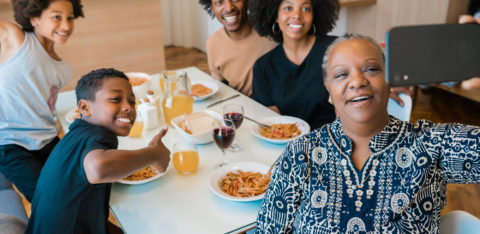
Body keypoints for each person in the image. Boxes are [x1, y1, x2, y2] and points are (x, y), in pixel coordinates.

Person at [255, 34, 480, 233]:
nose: (357, 81)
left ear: (388, 81)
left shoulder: (432, 144)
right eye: (342, 74)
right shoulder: (299, 154)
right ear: (329, 90)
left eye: (371, 69)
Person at [25, 68, 171, 233]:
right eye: (116, 99)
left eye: (132, 102)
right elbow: (98, 168)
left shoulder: (78, 133)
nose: (128, 107)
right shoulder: (99, 136)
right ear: (85, 108)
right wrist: (153, 154)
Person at [0, 0, 84, 202]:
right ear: (34, 18)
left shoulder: (63, 70)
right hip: (12, 144)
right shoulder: (15, 40)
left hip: (48, 140)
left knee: (80, 190)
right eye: (57, 17)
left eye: (70, 18)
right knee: (48, 201)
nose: (66, 25)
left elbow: (44, 105)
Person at [249, 0, 339, 130]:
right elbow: (272, 122)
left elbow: (348, 107)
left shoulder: (335, 49)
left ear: (314, 15)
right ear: (275, 15)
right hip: (287, 143)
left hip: (334, 139)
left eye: (306, 8)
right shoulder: (263, 67)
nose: (297, 15)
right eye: (288, 8)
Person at [198, 0, 277, 96]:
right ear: (212, 8)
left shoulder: (273, 34)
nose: (229, 8)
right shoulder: (213, 43)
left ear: (248, 1)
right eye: (219, 2)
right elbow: (220, 88)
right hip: (241, 107)